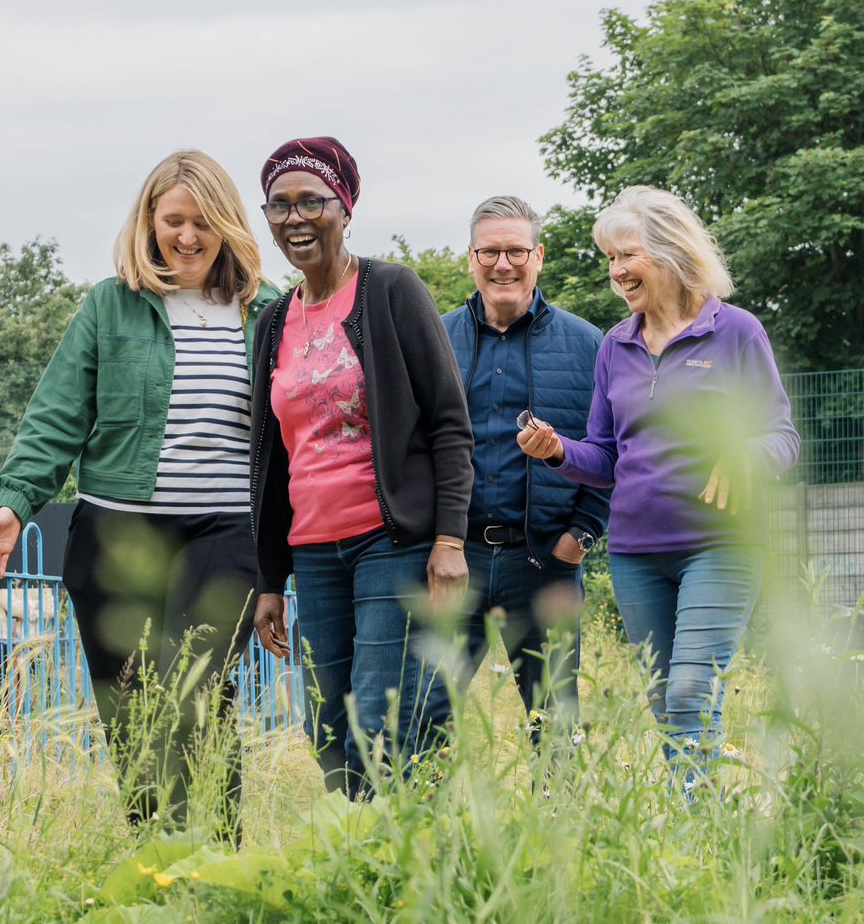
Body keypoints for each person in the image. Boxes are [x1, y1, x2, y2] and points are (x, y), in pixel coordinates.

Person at [0, 150, 279, 841]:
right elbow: (57, 413)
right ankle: (158, 857)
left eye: (204, 221)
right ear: (149, 221)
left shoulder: (265, 312)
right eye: (174, 220)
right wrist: (14, 503)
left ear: (228, 225)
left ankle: (218, 852)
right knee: (134, 706)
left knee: (197, 688)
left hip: (227, 531)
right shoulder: (111, 306)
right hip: (118, 532)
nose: (188, 236)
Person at [518, 185, 800, 766]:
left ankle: (696, 830)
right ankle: (696, 829)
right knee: (664, 702)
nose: (617, 271)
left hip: (720, 545)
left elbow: (781, 437)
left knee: (693, 692)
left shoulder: (736, 331)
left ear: (671, 253)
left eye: (628, 255)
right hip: (636, 554)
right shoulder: (614, 347)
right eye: (611, 259)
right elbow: (605, 458)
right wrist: (555, 451)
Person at [249, 136, 472, 797]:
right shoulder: (271, 322)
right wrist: (268, 578)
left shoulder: (392, 291)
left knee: (375, 718)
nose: (295, 218)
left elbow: (448, 422)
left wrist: (450, 539)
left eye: (311, 201)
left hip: (390, 542)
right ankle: (362, 852)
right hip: (313, 551)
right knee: (326, 724)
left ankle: (383, 871)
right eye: (279, 206)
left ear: (344, 207)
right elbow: (269, 456)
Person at [442, 195, 608, 730]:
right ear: (470, 259)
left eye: (516, 250)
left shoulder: (589, 346)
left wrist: (580, 536)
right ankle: (423, 815)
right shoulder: (436, 339)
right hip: (453, 561)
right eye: (489, 251)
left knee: (555, 726)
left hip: (544, 564)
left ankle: (559, 815)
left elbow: (614, 451)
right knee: (426, 719)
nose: (503, 264)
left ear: (539, 256)